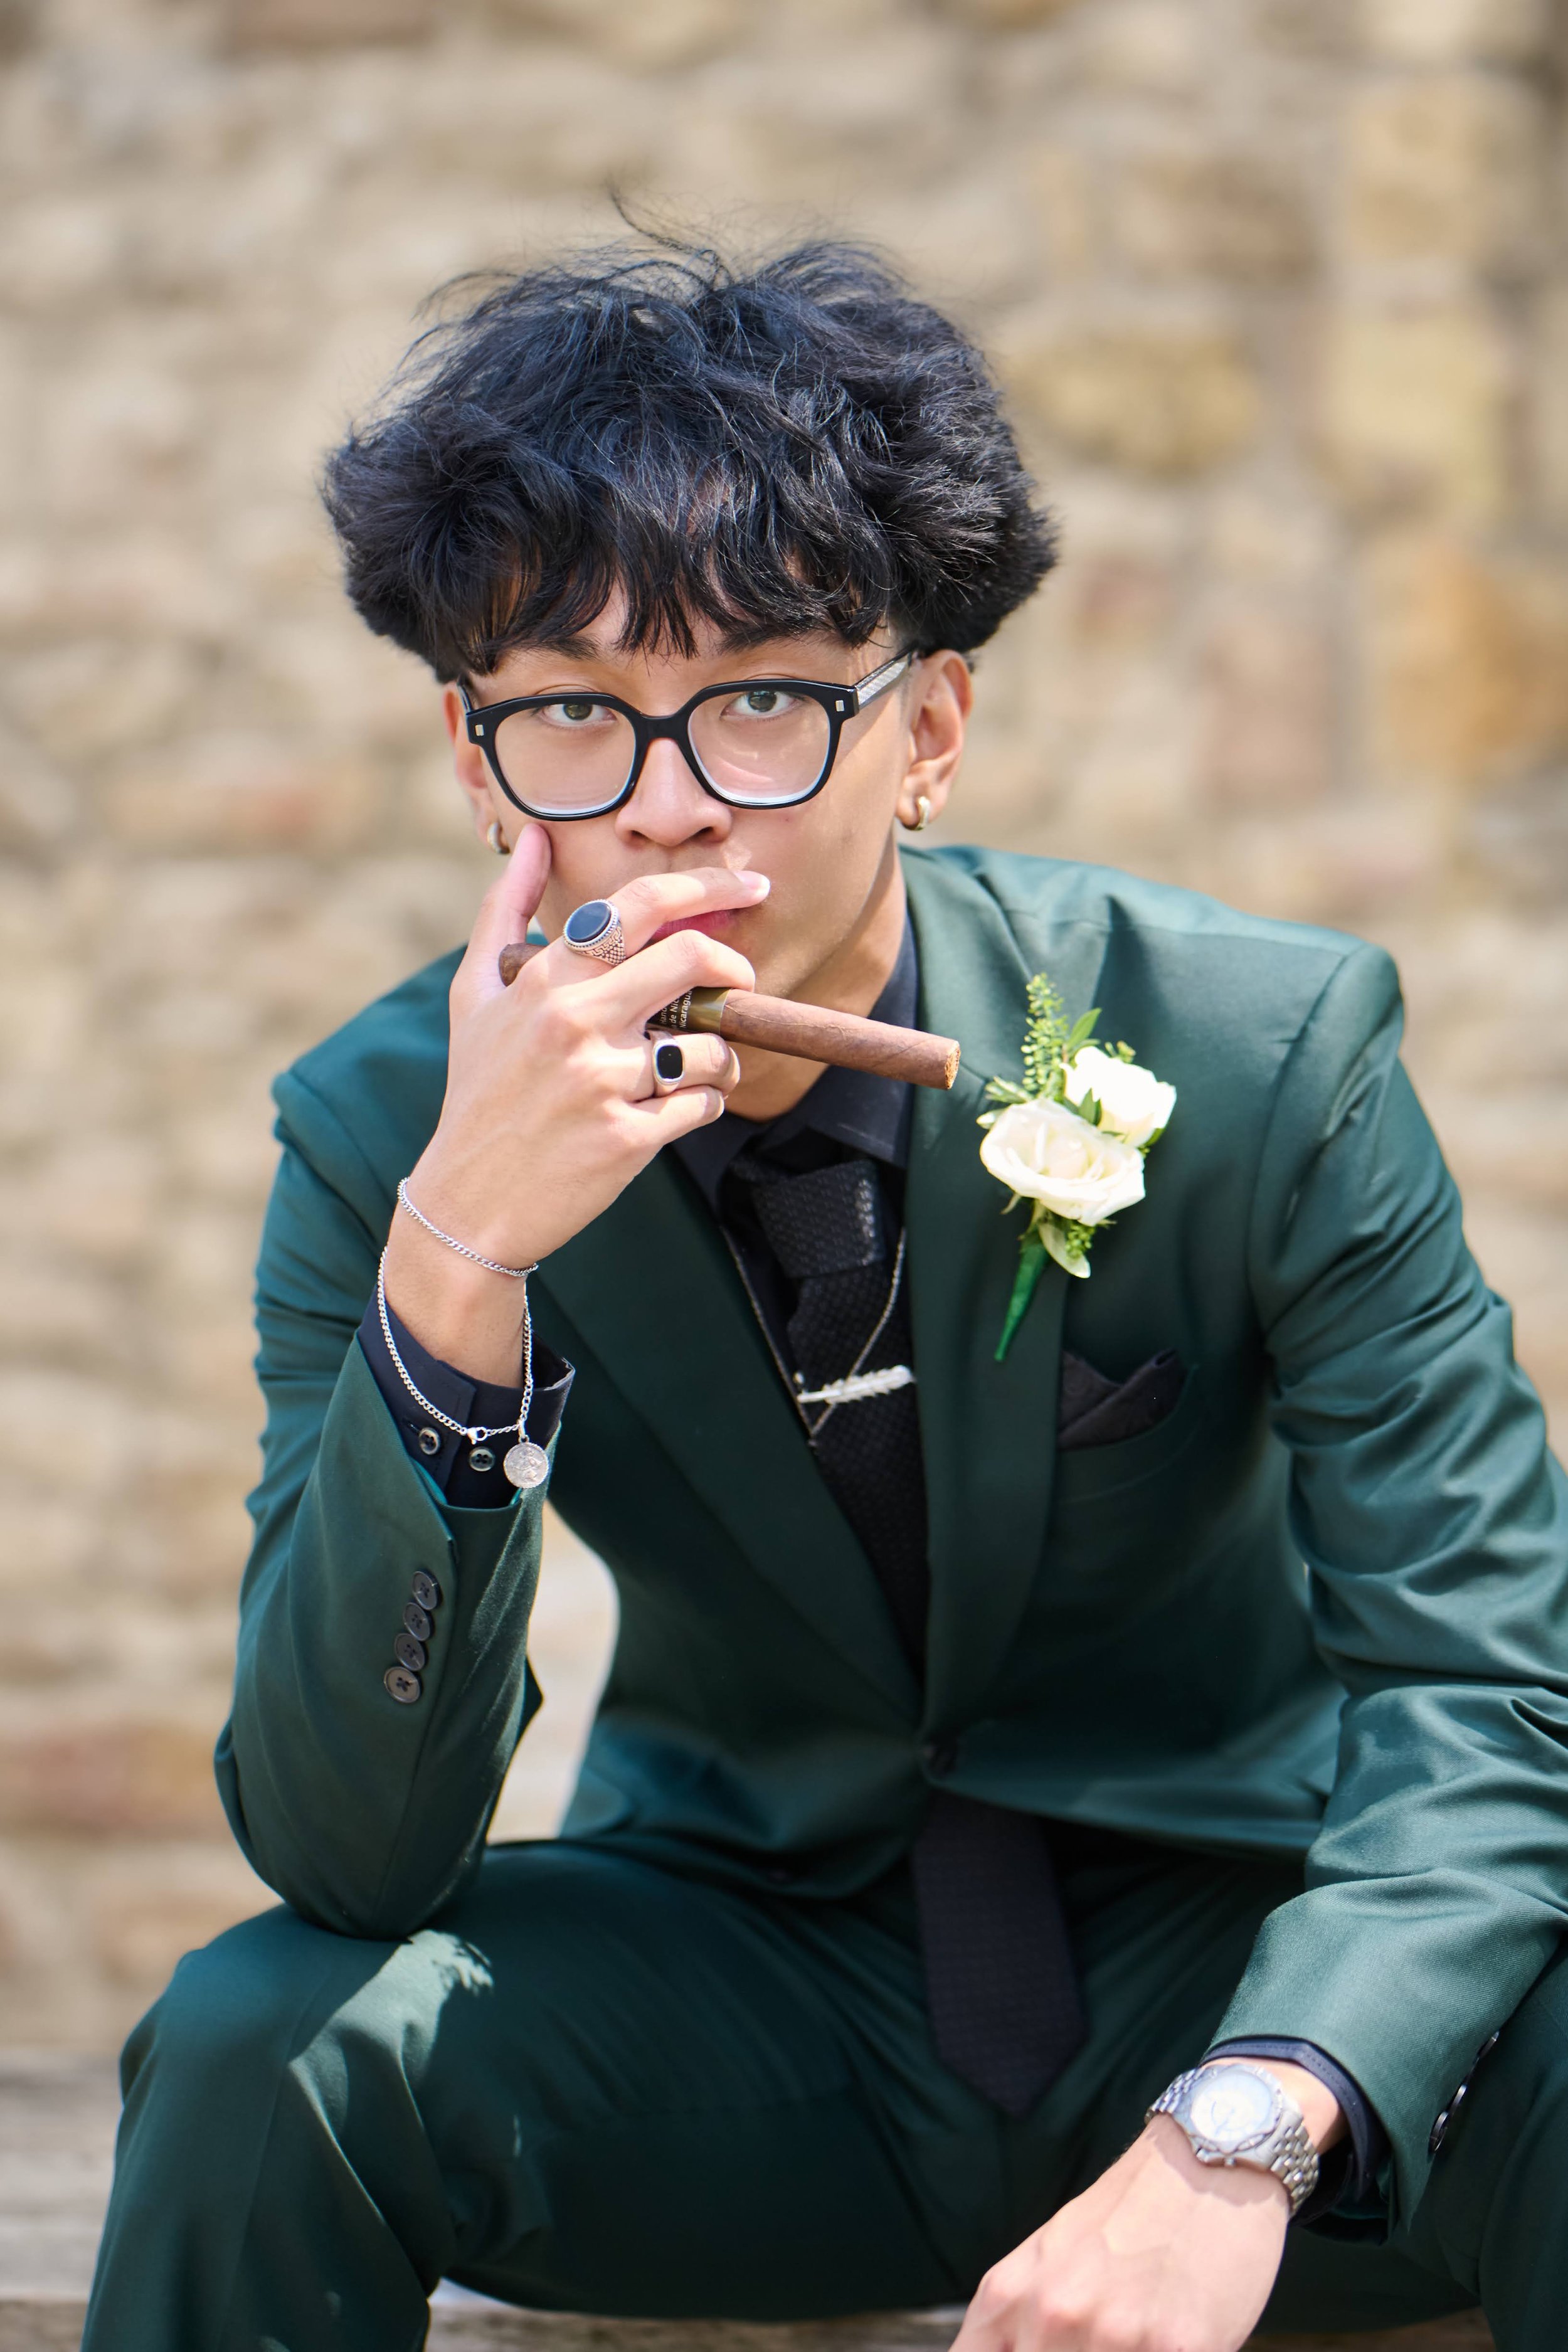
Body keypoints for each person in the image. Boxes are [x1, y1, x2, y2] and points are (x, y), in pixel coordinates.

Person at [84, 239, 1568, 2352]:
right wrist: (458, 1268)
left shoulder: (1257, 1053)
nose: (673, 795)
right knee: (257, 2042)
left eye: (763, 698)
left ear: (930, 727)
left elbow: (1491, 1693)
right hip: (751, 1998)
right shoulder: (384, 1132)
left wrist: (1250, 2119)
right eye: (576, 713)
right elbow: (345, 1849)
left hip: (1236, 1979)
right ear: (478, 762)